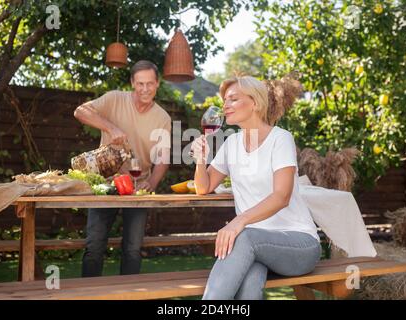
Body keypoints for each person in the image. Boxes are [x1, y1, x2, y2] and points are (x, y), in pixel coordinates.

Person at [191, 75, 320, 299]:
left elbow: (281, 196)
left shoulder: (280, 139)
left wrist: (238, 222)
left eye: (233, 99)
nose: (225, 105)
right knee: (249, 286)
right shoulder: (231, 144)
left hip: (299, 243)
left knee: (244, 237)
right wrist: (200, 161)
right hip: (255, 246)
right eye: (225, 100)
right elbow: (204, 187)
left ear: (256, 103)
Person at [74, 60, 171, 277]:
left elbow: (163, 158)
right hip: (104, 185)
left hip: (137, 187)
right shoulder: (114, 99)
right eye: (140, 84)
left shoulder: (163, 118)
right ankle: (89, 295)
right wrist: (111, 127)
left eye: (149, 84)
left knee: (132, 250)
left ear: (157, 84)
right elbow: (80, 111)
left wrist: (152, 183)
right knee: (94, 247)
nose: (145, 89)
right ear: (132, 84)